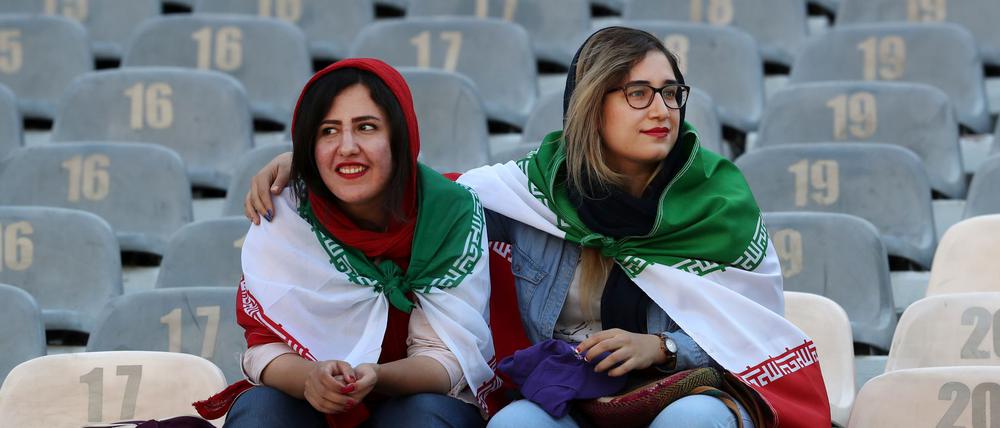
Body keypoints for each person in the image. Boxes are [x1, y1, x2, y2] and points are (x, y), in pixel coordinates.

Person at [244, 28, 831, 428]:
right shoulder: (527, 194)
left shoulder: (720, 203)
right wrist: (312, 165)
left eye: (672, 93)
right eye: (638, 94)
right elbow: (419, 189)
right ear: (590, 105)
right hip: (567, 396)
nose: (663, 110)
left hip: (685, 389)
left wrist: (663, 346)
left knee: (693, 422)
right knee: (518, 423)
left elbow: (755, 335)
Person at [205, 58, 501, 428]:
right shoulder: (286, 209)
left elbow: (447, 360)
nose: (346, 146)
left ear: (400, 136)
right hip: (312, 399)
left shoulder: (447, 211)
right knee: (263, 409)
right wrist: (309, 378)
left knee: (420, 416)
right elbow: (262, 349)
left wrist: (375, 375)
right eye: (328, 131)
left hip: (418, 400)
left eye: (366, 127)